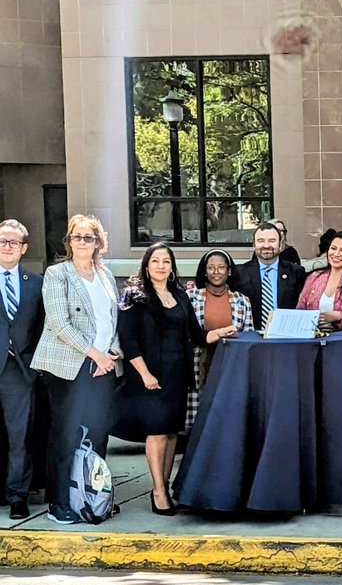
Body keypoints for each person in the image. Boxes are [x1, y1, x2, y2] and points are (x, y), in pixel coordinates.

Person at [114, 243, 237, 516]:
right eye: (155, 261)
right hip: (149, 376)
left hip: (178, 375)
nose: (161, 266)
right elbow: (128, 340)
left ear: (172, 267)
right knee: (157, 432)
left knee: (171, 434)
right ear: (146, 266)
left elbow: (197, 335)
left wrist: (222, 332)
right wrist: (145, 374)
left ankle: (165, 486)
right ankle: (158, 491)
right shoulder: (134, 297)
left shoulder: (180, 296)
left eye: (166, 261)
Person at [31, 214, 122, 525]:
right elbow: (58, 323)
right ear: (68, 241)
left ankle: (93, 497)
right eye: (76, 236)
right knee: (66, 434)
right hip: (68, 366)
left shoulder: (106, 276)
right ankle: (59, 503)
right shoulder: (58, 275)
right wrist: (95, 355)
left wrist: (110, 354)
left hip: (103, 364)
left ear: (98, 242)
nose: (82, 242)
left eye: (88, 237)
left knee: (98, 433)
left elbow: (113, 320)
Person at [0, 219, 43, 520]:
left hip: (19, 370)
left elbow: (43, 327)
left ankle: (18, 495)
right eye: (2, 240)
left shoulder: (36, 283)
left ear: (24, 248)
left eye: (13, 242)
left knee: (20, 437)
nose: (7, 246)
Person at [184, 250, 254, 436]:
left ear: (229, 271)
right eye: (211, 268)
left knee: (228, 415)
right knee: (199, 415)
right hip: (199, 363)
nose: (216, 272)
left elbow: (248, 336)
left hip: (231, 365)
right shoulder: (190, 297)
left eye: (221, 267)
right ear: (204, 271)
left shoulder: (242, 301)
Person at [233, 222, 305, 330]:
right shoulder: (239, 273)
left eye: (272, 240)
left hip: (286, 336)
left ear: (280, 244)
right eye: (261, 241)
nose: (266, 245)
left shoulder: (296, 272)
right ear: (254, 244)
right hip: (251, 338)